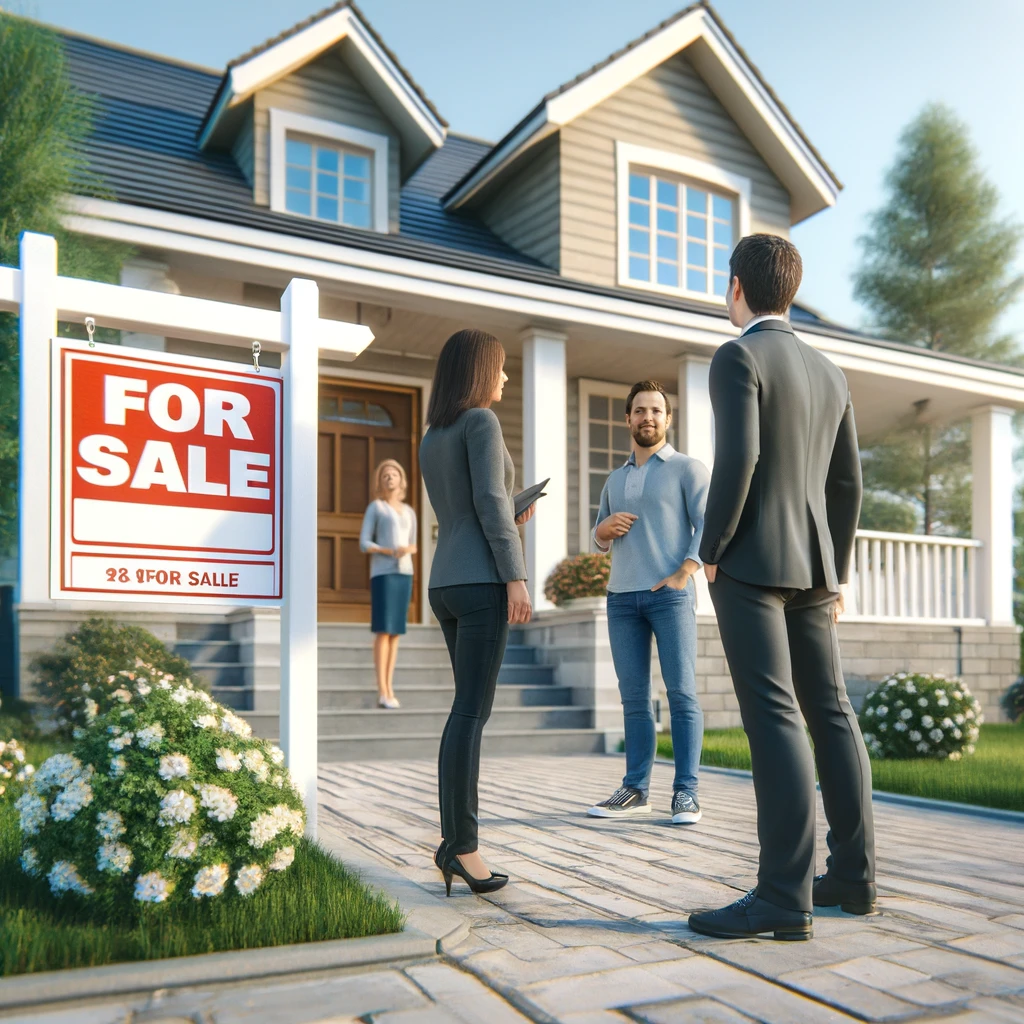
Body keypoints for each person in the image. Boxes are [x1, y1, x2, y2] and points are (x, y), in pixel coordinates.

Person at [687, 234, 873, 943]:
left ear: (737, 288)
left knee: (774, 718)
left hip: (752, 566)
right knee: (830, 714)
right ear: (788, 290)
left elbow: (740, 457)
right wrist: (840, 569)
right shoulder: (831, 371)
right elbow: (848, 483)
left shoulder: (737, 355)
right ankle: (853, 879)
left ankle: (781, 898)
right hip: (819, 569)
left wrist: (708, 550)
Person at [419, 328, 536, 897]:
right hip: (483, 581)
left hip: (445, 580)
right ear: (478, 371)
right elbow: (488, 501)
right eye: (501, 368)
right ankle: (462, 846)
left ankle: (452, 842)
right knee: (471, 713)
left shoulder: (433, 434)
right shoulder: (481, 423)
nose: (506, 378)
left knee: (462, 711)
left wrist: (515, 509)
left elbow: (469, 509)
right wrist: (515, 576)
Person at [587, 381, 709, 826]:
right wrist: (603, 532)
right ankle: (635, 789)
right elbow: (597, 534)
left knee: (681, 693)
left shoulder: (686, 469)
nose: (648, 418)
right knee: (634, 697)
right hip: (621, 599)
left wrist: (685, 573)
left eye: (656, 410)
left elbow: (708, 524)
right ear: (628, 419)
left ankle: (686, 793)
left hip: (670, 597)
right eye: (639, 411)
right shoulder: (615, 479)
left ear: (668, 418)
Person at [359, 459, 418, 709]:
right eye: (385, 475)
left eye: (394, 474)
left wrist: (406, 549)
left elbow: (414, 544)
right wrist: (386, 550)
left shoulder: (410, 511)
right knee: (383, 630)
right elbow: (364, 543)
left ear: (401, 480)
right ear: (380, 482)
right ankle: (382, 690)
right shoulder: (376, 508)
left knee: (395, 632)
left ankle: (390, 687)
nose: (390, 478)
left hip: (405, 573)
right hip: (383, 574)